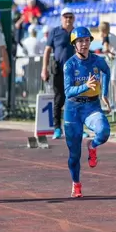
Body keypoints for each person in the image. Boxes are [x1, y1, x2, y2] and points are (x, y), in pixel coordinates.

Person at [63, 27, 111, 198]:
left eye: (86, 40)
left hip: (92, 106)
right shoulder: (69, 64)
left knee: (104, 131)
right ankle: (76, 183)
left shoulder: (98, 60)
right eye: (80, 41)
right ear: (74, 44)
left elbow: (107, 71)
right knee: (74, 154)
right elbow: (68, 92)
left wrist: (104, 94)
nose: (84, 44)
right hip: (73, 110)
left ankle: (92, 145)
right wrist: (86, 86)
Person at [41, 8, 76, 139]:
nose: (68, 19)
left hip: (74, 72)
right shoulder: (55, 32)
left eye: (70, 17)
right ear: (61, 18)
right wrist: (44, 68)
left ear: (74, 19)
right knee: (59, 99)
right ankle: (57, 128)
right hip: (58, 70)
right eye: (65, 17)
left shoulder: (77, 32)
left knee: (74, 100)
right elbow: (47, 51)